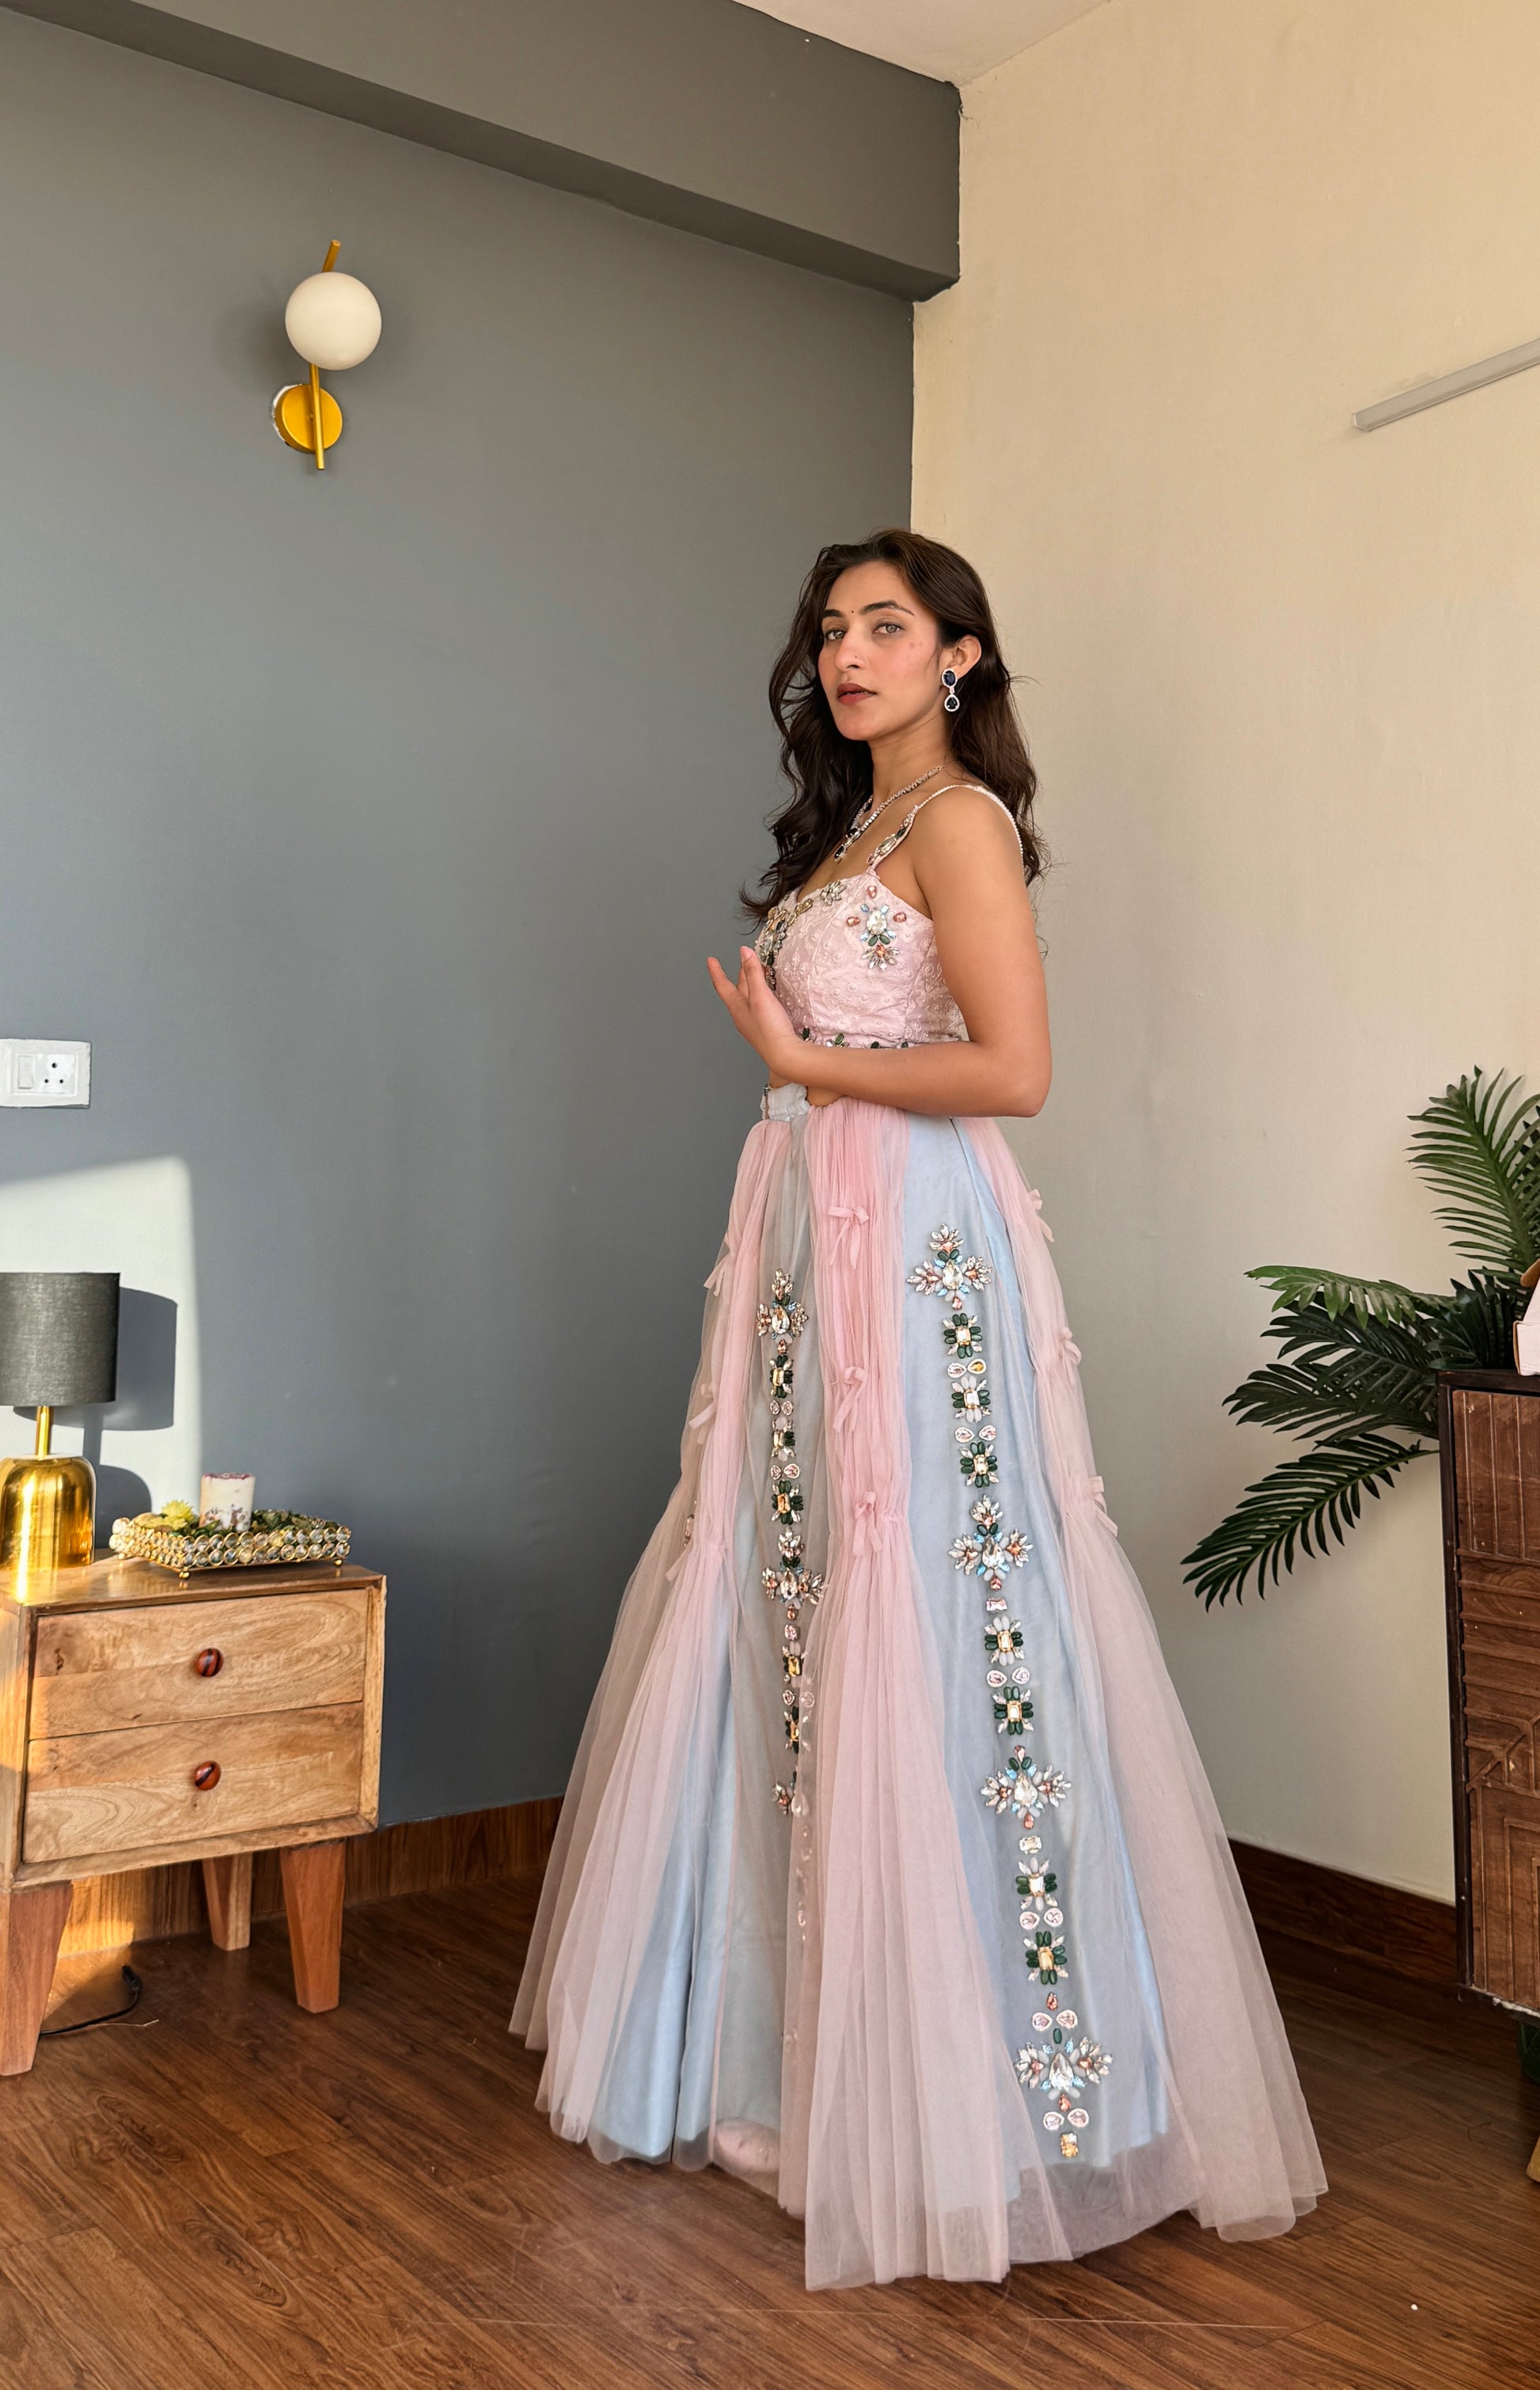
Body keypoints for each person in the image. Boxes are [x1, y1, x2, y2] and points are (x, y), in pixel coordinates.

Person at [511, 528, 1324, 2290]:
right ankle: (794, 2062)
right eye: (832, 629)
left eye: (886, 625)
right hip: (808, 1233)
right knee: (788, 1593)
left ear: (959, 653)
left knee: (934, 1593)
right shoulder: (847, 832)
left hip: (915, 1243)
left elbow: (1015, 1071)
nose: (849, 652)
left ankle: (989, 2099)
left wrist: (807, 1065)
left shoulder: (959, 821)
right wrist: (801, 1097)